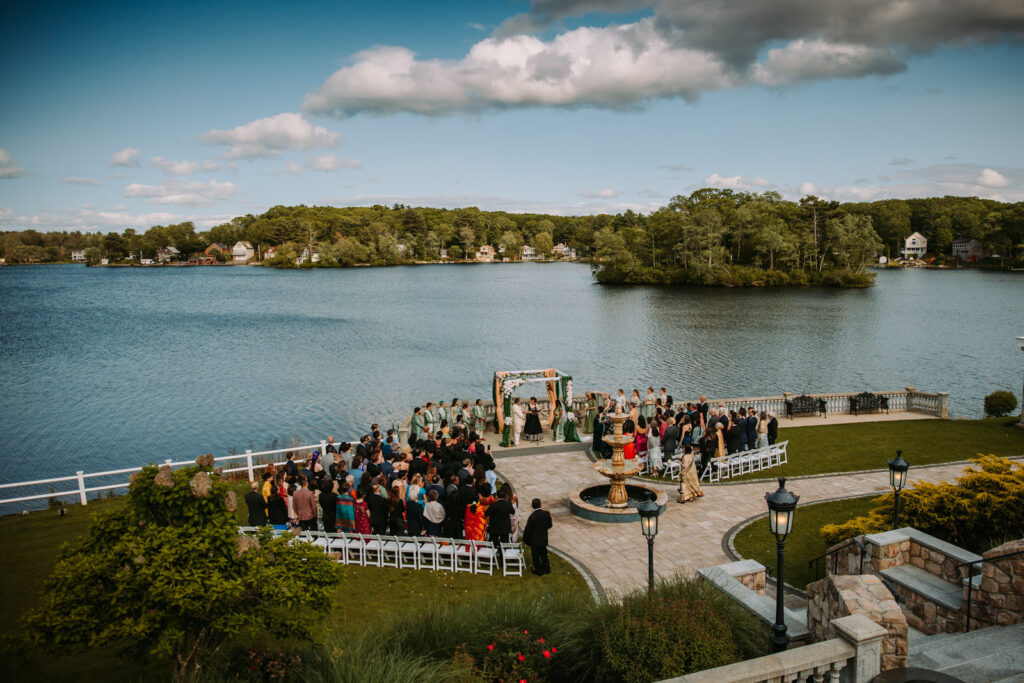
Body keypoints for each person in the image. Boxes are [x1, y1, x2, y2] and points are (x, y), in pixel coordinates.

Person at [522, 498, 552, 576]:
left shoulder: (532, 517)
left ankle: (538, 570)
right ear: (540, 504)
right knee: (544, 554)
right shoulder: (546, 514)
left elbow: (528, 530)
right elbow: (549, 525)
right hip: (543, 538)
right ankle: (546, 569)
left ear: (532, 506)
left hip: (534, 540)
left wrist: (525, 538)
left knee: (536, 557)